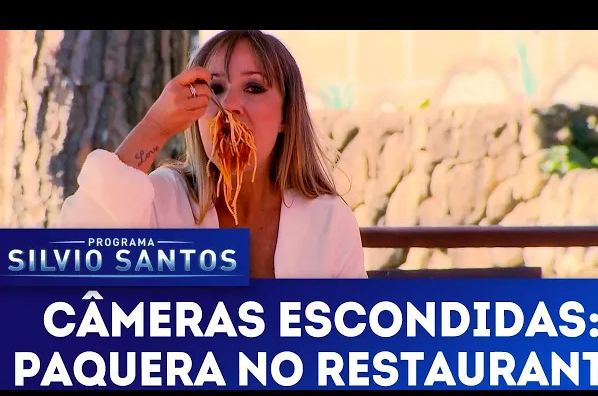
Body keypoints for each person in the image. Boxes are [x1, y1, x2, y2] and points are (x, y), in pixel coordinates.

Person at [55, 30, 368, 279]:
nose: (229, 106)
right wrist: (154, 127)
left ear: (287, 115)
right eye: (215, 89)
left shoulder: (328, 221)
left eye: (253, 88)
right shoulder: (162, 200)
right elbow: (72, 262)